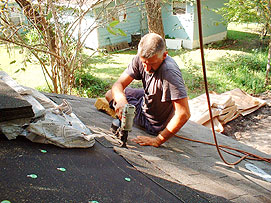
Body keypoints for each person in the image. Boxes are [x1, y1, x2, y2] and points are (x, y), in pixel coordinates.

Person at [105, 33, 190, 147]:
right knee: (112, 93)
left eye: (152, 64)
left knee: (111, 95)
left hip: (152, 122)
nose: (147, 68)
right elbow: (118, 84)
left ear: (165, 55)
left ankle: (131, 116)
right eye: (144, 63)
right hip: (148, 99)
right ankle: (124, 109)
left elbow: (184, 113)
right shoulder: (140, 59)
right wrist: (121, 102)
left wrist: (158, 140)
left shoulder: (169, 72)